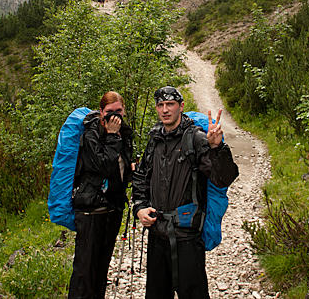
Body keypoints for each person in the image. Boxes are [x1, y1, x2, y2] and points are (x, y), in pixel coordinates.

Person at [132, 86, 239, 299]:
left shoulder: (197, 139)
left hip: (187, 238)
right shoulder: (154, 140)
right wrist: (140, 208)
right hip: (156, 234)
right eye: (160, 105)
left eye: (170, 104)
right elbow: (142, 178)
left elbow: (223, 179)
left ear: (181, 107)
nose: (165, 110)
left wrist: (217, 149)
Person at [68, 91, 134, 299]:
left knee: (101, 269)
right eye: (109, 112)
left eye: (118, 111)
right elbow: (103, 165)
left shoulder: (125, 134)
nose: (114, 117)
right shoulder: (91, 134)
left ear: (124, 111)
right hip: (90, 211)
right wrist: (113, 136)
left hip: (111, 209)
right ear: (100, 112)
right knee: (84, 273)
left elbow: (120, 170)